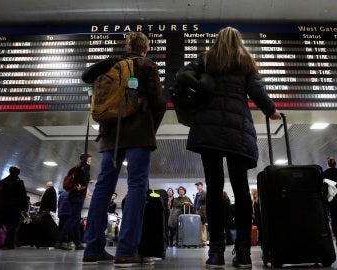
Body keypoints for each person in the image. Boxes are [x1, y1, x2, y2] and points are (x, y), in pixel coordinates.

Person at [177, 26, 281, 268]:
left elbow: (182, 75)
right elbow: (256, 90)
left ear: (218, 40)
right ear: (239, 41)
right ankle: (243, 251)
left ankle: (215, 252)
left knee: (213, 190)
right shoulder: (246, 62)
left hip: (208, 129)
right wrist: (271, 110)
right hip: (238, 130)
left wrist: (203, 86)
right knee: (241, 189)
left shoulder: (207, 58)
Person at [81, 31, 166, 267]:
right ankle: (127, 250)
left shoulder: (111, 66)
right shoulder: (147, 65)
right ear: (145, 49)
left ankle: (93, 248)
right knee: (137, 185)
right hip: (138, 135)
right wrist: (151, 129)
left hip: (110, 136)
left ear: (127, 47)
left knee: (102, 188)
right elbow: (159, 102)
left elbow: (88, 79)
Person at [55, 153, 91, 251]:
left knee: (75, 220)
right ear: (86, 159)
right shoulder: (85, 167)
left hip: (72, 194)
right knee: (73, 218)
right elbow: (84, 180)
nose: (90, 161)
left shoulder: (75, 168)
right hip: (79, 195)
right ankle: (59, 240)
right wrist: (84, 185)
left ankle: (77, 243)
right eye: (90, 159)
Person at [0, 165, 27, 249]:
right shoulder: (19, 182)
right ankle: (8, 244)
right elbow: (23, 196)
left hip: (1, 209)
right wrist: (24, 208)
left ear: (9, 171)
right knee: (11, 228)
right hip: (14, 210)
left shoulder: (2, 181)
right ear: (18, 172)